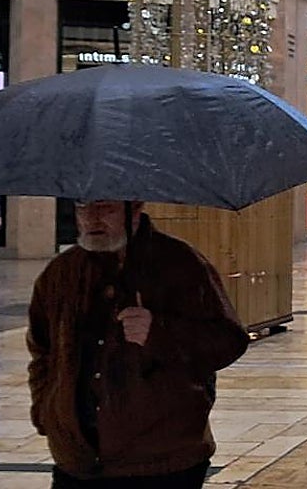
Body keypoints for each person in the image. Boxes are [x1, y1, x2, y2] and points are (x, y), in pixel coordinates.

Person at [27, 200, 249, 488]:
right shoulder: (61, 273)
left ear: (134, 209)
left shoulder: (179, 263)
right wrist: (48, 413)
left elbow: (227, 341)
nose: (93, 219)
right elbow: (42, 352)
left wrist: (158, 332)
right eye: (83, 208)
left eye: (105, 208)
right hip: (78, 462)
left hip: (160, 461)